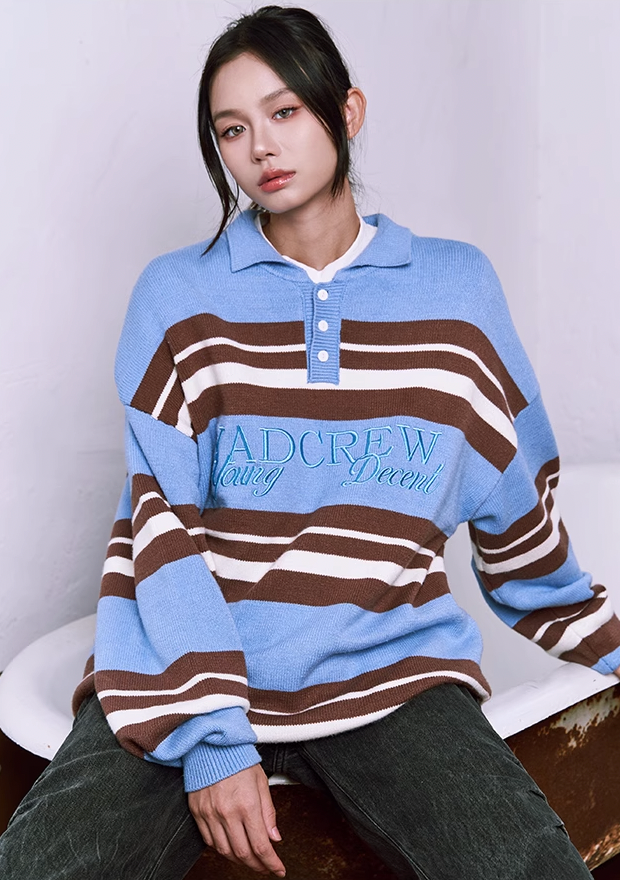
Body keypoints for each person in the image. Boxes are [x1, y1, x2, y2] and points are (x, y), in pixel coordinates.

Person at [1, 6, 619, 879]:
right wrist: (215, 740)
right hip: (186, 672)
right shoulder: (176, 297)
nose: (262, 147)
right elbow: (157, 527)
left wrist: (601, 639)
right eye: (232, 128)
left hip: (392, 674)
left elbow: (517, 506)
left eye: (285, 111)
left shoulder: (456, 290)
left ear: (347, 112)